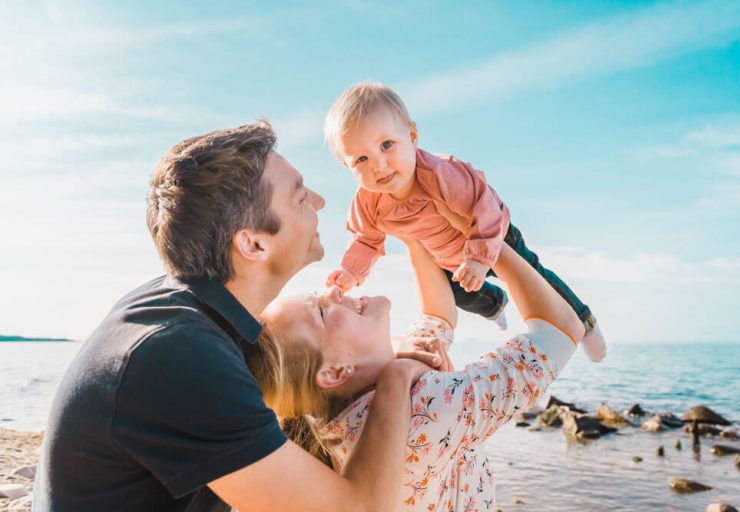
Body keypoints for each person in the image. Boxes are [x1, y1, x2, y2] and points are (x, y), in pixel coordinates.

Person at [32, 121, 442, 512]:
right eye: (300, 197)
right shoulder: (180, 356)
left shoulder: (187, 315)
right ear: (253, 244)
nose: (319, 202)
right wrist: (395, 375)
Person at [248, 231, 591, 511]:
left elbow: (438, 315)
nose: (334, 290)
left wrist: (413, 228)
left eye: (317, 295)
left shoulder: (347, 404)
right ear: (335, 372)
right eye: (321, 312)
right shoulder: (424, 405)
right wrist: (491, 239)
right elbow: (562, 331)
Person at [324, 81, 606, 361]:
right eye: (361, 159)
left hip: (490, 234)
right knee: (463, 296)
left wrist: (480, 259)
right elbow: (365, 240)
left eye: (387, 145)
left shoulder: (440, 174)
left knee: (536, 278)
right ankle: (495, 304)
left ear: (412, 136)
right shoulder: (367, 202)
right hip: (446, 257)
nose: (378, 164)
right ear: (346, 166)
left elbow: (486, 209)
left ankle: (584, 322)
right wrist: (351, 272)